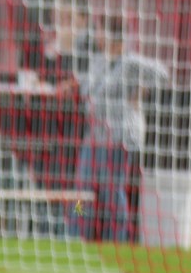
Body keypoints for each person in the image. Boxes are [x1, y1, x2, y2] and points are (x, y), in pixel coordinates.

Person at [69, 15, 169, 242]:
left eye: (101, 30)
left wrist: (142, 90)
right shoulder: (98, 61)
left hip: (120, 136)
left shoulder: (130, 63)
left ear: (113, 36)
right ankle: (77, 232)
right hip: (95, 134)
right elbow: (87, 87)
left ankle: (117, 239)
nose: (97, 36)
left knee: (111, 190)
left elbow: (162, 74)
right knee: (81, 189)